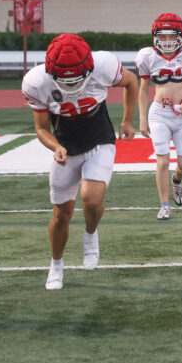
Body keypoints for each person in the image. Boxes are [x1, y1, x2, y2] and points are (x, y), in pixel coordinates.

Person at [22, 34, 137, 290]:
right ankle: (56, 265)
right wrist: (56, 146)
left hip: (99, 140)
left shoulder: (103, 64)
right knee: (61, 215)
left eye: (76, 77)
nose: (71, 83)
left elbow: (131, 82)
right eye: (64, 78)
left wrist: (127, 121)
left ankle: (90, 234)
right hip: (66, 146)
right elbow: (41, 128)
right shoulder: (36, 81)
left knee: (91, 199)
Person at [136, 14, 182, 220]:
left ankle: (177, 181)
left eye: (171, 36)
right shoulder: (147, 56)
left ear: (180, 36)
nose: (167, 41)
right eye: (162, 36)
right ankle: (164, 205)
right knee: (163, 160)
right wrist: (141, 118)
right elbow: (143, 90)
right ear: (155, 36)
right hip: (159, 114)